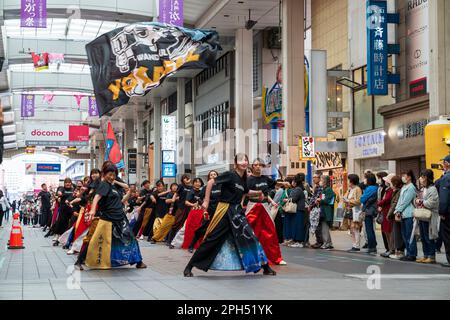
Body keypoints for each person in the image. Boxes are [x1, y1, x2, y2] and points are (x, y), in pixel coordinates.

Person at [183, 153, 276, 277]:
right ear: (236, 163)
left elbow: (246, 192)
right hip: (225, 210)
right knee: (212, 239)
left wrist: (258, 192)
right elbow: (211, 182)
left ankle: (265, 267)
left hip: (237, 212)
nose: (244, 162)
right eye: (241, 160)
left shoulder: (244, 179)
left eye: (246, 160)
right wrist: (206, 200)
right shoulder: (230, 175)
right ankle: (189, 266)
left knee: (250, 237)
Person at [84, 163, 146, 270]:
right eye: (109, 174)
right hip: (107, 219)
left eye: (114, 175)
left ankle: (138, 261)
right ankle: (81, 260)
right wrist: (93, 210)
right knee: (95, 239)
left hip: (120, 218)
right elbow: (97, 197)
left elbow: (121, 201)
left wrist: (128, 191)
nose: (112, 177)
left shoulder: (113, 186)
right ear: (104, 173)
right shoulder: (104, 184)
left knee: (129, 238)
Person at [245, 159, 287, 265]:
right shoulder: (248, 180)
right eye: (256, 165)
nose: (258, 167)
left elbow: (274, 185)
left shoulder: (265, 179)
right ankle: (248, 258)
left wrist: (284, 183)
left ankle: (276, 257)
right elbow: (244, 193)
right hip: (252, 206)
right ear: (252, 167)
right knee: (247, 231)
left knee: (271, 231)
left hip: (264, 206)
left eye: (260, 165)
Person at [74, 168, 102, 269]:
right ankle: (80, 259)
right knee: (89, 235)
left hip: (103, 214)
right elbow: (83, 200)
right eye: (93, 173)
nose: (94, 175)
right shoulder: (90, 186)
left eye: (96, 173)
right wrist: (82, 193)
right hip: (94, 213)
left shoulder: (103, 184)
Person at [187, 171, 220, 252]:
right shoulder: (206, 187)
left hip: (219, 211)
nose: (213, 176)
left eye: (215, 174)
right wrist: (204, 205)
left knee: (218, 230)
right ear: (209, 177)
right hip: (209, 211)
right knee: (202, 229)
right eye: (211, 175)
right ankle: (191, 246)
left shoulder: (221, 186)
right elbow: (199, 198)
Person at [414, 170, 440, 264]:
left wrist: (420, 202)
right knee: (423, 237)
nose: (421, 179)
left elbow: (433, 202)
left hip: (429, 216)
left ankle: (431, 256)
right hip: (422, 216)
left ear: (427, 178)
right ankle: (425, 255)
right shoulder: (422, 189)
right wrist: (417, 201)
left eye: (423, 177)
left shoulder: (432, 189)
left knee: (429, 236)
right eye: (421, 176)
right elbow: (416, 199)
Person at [394, 170, 418, 262]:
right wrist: (397, 211)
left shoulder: (411, 187)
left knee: (409, 235)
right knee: (404, 235)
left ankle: (412, 254)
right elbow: (400, 200)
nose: (403, 177)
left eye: (404, 175)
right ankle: (408, 253)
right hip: (403, 214)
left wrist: (398, 210)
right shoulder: (404, 187)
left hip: (409, 214)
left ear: (409, 177)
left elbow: (406, 201)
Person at [168, 175, 193, 248]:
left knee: (184, 226)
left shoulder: (191, 187)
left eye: (187, 178)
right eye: (185, 178)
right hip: (181, 208)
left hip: (189, 208)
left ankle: (179, 242)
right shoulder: (181, 186)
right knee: (176, 224)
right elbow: (176, 193)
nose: (186, 179)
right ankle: (169, 241)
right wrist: (173, 199)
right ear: (182, 180)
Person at [283, 174, 306, 249]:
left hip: (299, 209)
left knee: (298, 226)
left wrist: (287, 199)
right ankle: (296, 241)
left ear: (296, 182)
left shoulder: (298, 189)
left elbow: (293, 199)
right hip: (298, 210)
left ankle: (299, 241)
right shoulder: (298, 189)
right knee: (296, 226)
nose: (292, 182)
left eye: (293, 181)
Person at [51, 178, 75, 246]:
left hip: (71, 209)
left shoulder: (73, 189)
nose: (68, 184)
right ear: (64, 183)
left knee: (71, 224)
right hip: (63, 209)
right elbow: (59, 193)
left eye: (69, 182)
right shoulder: (62, 188)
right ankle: (58, 238)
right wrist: (59, 193)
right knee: (61, 224)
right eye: (66, 182)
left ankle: (68, 239)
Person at [360, 173, 378, 254]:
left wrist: (363, 197)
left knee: (369, 229)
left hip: (368, 211)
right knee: (371, 229)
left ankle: (371, 246)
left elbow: (362, 199)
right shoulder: (376, 187)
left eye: (365, 178)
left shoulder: (370, 188)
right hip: (372, 210)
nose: (364, 180)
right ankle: (373, 245)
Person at [344, 174, 363, 252]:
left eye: (349, 180)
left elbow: (359, 201)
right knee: (351, 229)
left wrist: (348, 201)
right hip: (349, 210)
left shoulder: (357, 189)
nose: (348, 182)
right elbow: (345, 197)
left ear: (352, 181)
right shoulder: (350, 189)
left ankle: (357, 245)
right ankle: (354, 244)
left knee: (355, 228)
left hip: (355, 210)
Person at [316, 175, 335, 250]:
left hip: (326, 211)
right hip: (323, 210)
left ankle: (327, 243)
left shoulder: (328, 190)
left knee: (325, 228)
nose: (320, 181)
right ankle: (328, 243)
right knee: (324, 227)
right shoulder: (324, 189)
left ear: (325, 181)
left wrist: (320, 200)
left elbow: (328, 200)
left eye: (321, 179)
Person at [388, 176, 405, 260]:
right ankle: (398, 251)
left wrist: (389, 214)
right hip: (396, 214)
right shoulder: (396, 191)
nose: (390, 184)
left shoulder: (398, 191)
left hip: (397, 214)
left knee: (398, 234)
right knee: (396, 233)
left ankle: (399, 252)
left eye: (391, 182)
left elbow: (394, 204)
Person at [378, 173, 394, 258]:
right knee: (386, 231)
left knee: (388, 231)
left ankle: (391, 249)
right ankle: (389, 249)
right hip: (385, 211)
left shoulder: (390, 190)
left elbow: (386, 200)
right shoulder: (388, 189)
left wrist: (379, 204)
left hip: (388, 212)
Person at [438, 156, 450, 268]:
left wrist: (442, 211)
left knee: (447, 236)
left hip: (448, 212)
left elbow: (444, 197)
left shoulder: (446, 178)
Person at [309, 173, 323, 249]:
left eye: (315, 177)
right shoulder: (316, 186)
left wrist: (311, 205)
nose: (314, 179)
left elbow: (317, 197)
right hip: (314, 207)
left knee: (317, 225)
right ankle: (318, 241)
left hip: (317, 208)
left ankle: (320, 242)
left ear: (319, 178)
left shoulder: (320, 187)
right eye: (313, 177)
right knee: (315, 225)